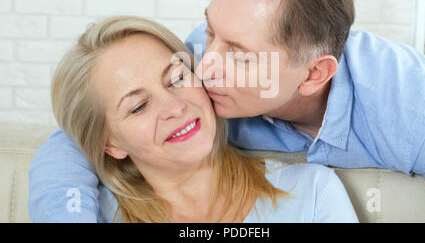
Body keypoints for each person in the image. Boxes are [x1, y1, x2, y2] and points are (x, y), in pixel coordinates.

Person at [29, 0, 425, 221]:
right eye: (211, 31)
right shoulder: (194, 64)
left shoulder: (414, 110)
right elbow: (80, 133)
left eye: (239, 55)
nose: (204, 67)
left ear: (314, 74)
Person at [40, 15, 358, 223]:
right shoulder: (90, 214)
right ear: (110, 143)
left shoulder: (313, 192)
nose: (175, 107)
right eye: (138, 107)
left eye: (177, 78)